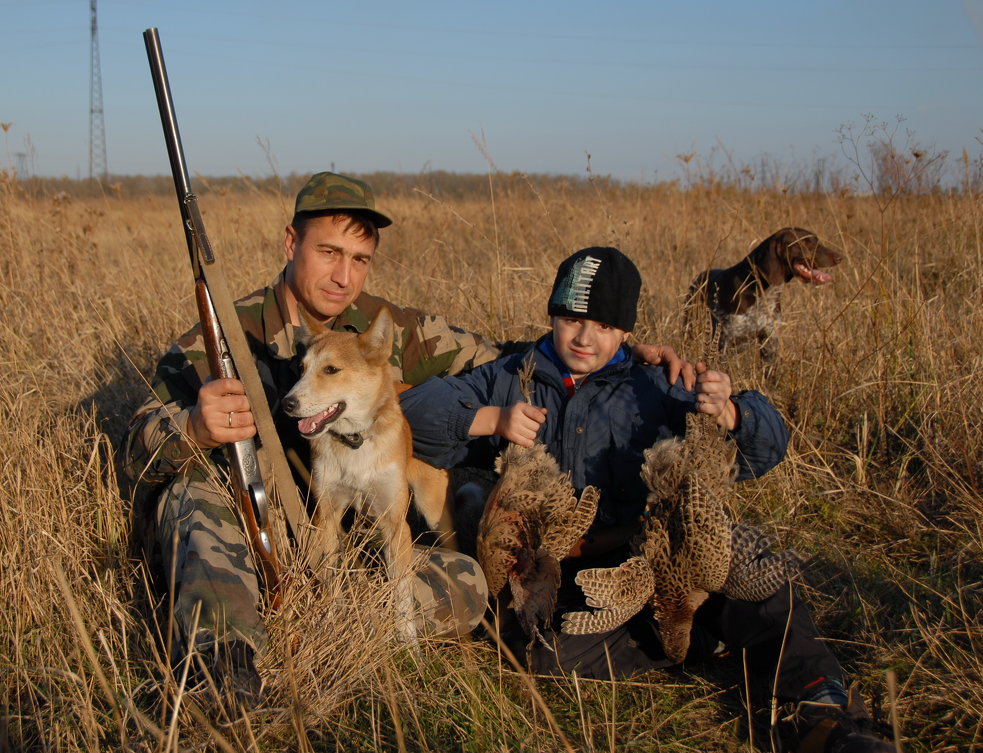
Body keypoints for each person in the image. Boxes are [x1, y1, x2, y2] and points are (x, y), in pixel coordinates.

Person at [121, 174, 691, 708]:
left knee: (467, 583)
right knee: (191, 490)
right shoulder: (224, 336)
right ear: (290, 242)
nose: (344, 276)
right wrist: (191, 428)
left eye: (360, 260)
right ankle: (220, 664)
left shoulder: (387, 329)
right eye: (328, 253)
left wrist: (618, 352)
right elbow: (131, 453)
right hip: (255, 527)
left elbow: (511, 357)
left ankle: (330, 623)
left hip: (350, 539)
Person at [400, 246, 894, 753]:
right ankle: (697, 639)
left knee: (757, 581)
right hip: (566, 575)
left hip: (658, 556)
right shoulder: (512, 377)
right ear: (552, 314)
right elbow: (413, 411)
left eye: (605, 324)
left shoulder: (659, 382)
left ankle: (824, 714)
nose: (585, 337)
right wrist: (490, 420)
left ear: (627, 331)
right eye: (571, 318)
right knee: (541, 653)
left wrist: (733, 414)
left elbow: (768, 446)